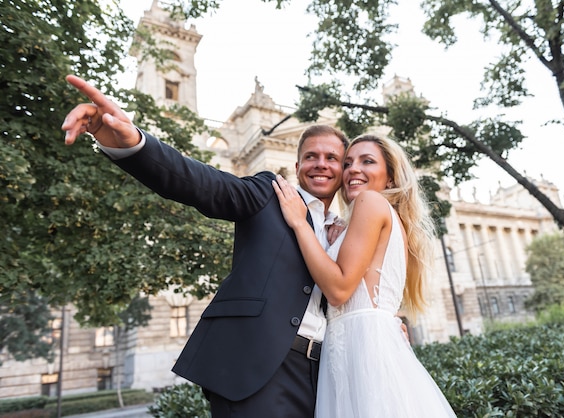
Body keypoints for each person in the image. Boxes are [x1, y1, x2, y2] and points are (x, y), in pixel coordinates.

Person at [61, 75, 350, 418]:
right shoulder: (267, 194)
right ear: (297, 165)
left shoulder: (345, 230)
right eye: (311, 156)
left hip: (324, 374)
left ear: (344, 169)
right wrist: (130, 141)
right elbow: (201, 184)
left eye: (332, 157)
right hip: (258, 370)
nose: (321, 163)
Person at [272, 134, 457, 417]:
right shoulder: (382, 216)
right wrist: (333, 243)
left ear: (391, 178)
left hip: (362, 344)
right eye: (348, 163)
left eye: (367, 161)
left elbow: (339, 289)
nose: (353, 169)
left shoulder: (370, 201)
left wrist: (299, 223)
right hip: (361, 340)